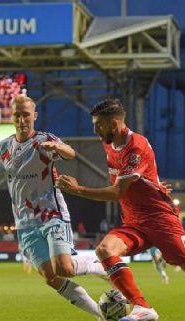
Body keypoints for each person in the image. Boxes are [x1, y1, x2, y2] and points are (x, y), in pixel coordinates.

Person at [0, 95, 106, 320]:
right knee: (51, 277)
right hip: (25, 224)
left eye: (26, 114)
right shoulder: (3, 148)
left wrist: (57, 146)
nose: (21, 119)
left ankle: (98, 265)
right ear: (12, 117)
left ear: (34, 116)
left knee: (64, 268)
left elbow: (70, 153)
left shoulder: (43, 141)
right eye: (17, 115)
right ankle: (101, 315)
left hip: (51, 215)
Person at [56, 98, 185, 321]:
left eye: (99, 124)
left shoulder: (136, 146)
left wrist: (77, 189)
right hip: (134, 222)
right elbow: (137, 179)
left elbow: (117, 192)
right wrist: (152, 182)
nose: (95, 129)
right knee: (105, 250)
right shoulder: (109, 143)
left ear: (114, 123)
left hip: (159, 219)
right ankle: (142, 308)